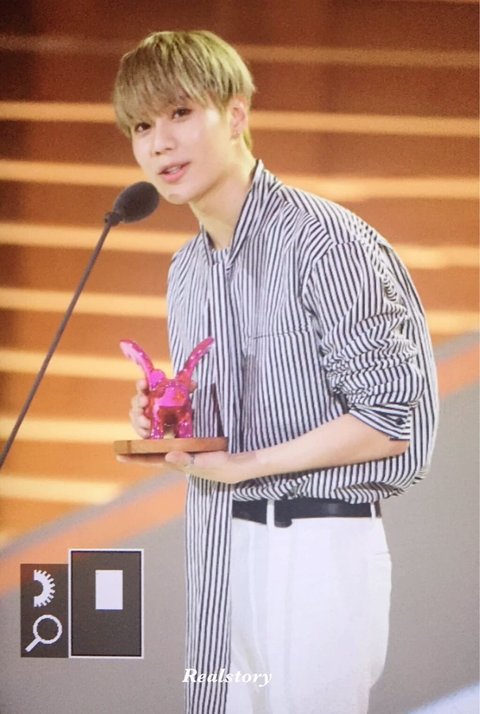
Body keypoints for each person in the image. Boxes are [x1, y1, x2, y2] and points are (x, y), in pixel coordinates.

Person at [113, 30, 438, 714]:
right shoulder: (186, 270)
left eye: (180, 113)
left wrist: (251, 464)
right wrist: (165, 414)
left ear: (236, 114)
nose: (160, 143)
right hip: (218, 542)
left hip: (316, 546)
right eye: (141, 126)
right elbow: (225, 425)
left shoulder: (326, 241)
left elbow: (390, 419)